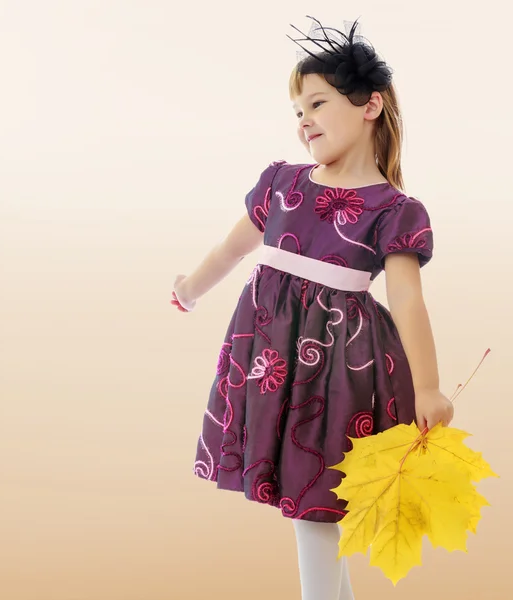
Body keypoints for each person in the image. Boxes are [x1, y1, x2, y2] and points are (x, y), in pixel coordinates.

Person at [171, 17, 454, 600]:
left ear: (370, 105)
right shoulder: (283, 184)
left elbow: (406, 299)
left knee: (317, 503)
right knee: (308, 509)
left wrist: (427, 388)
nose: (304, 120)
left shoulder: (394, 210)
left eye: (318, 103)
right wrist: (191, 288)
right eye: (298, 110)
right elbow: (233, 246)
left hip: (338, 369)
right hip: (270, 359)